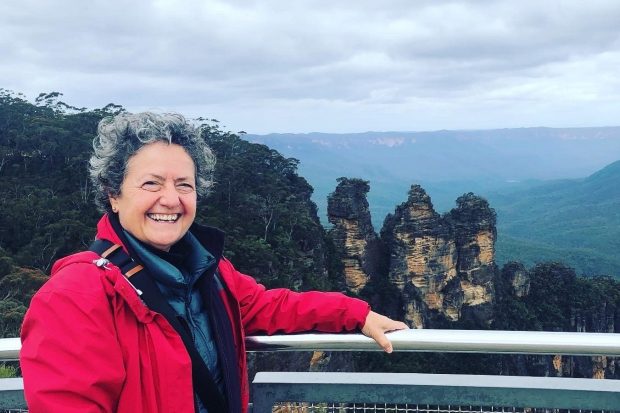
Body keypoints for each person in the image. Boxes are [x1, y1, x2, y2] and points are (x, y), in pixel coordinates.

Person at [20, 112, 407, 413]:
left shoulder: (206, 270)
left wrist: (354, 312)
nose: (171, 199)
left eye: (183, 184)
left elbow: (267, 306)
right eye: (151, 183)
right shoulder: (75, 296)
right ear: (114, 195)